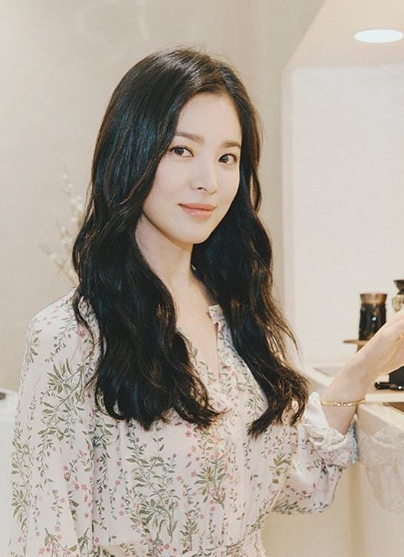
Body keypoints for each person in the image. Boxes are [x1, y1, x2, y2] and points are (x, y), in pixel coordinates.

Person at [8, 46, 404, 557]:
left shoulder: (241, 319)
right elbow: (46, 538)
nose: (208, 181)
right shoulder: (71, 336)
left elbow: (292, 479)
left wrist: (369, 363)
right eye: (181, 150)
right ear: (131, 153)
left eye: (227, 157)